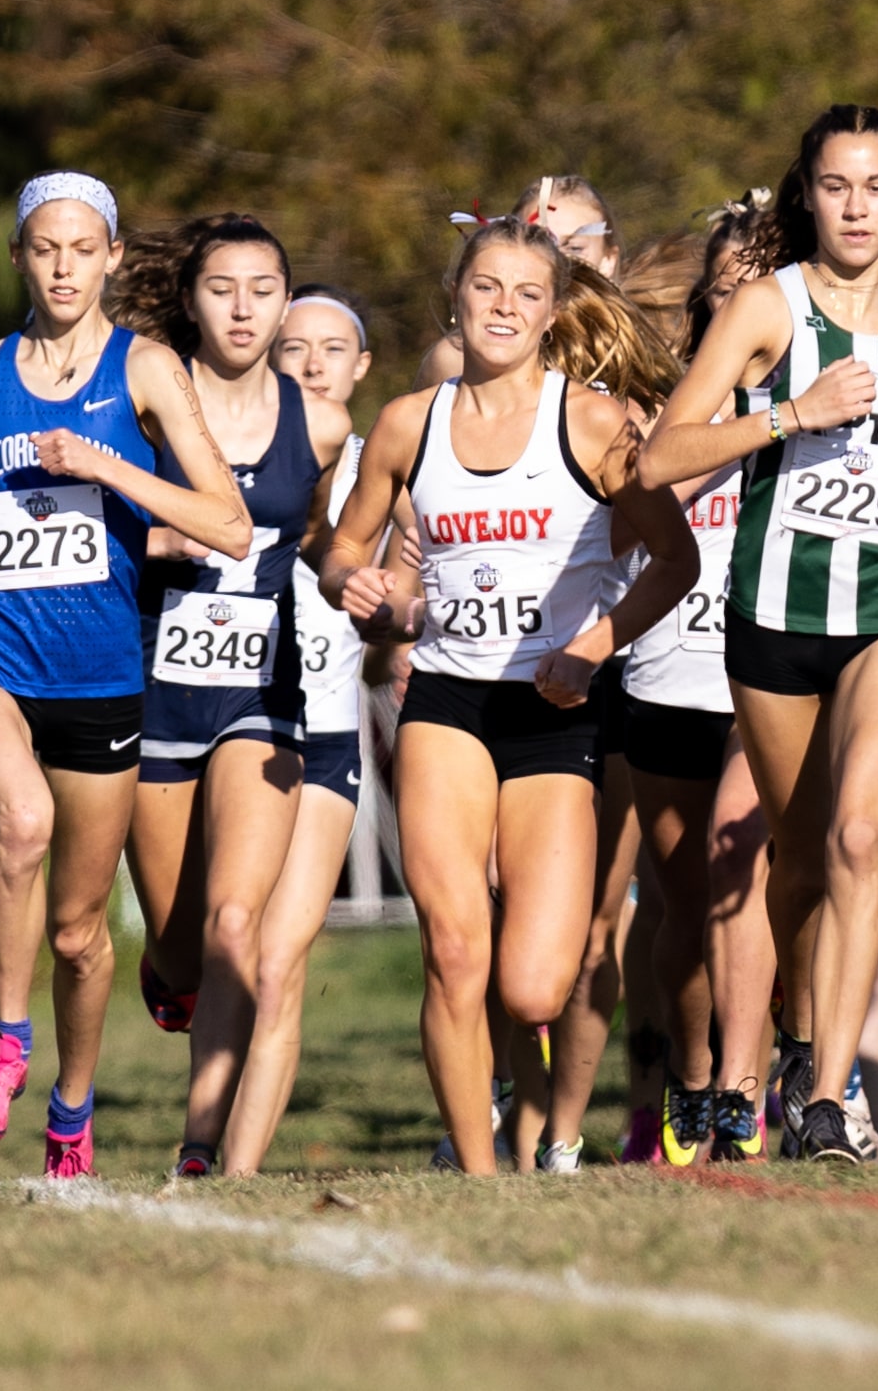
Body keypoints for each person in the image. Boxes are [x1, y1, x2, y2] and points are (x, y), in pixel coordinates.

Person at [640, 107, 878, 1162]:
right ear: (810, 196)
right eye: (836, 186)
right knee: (799, 865)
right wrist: (790, 416)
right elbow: (662, 460)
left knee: (860, 837)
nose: (856, 206)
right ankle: (803, 1043)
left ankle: (825, 1101)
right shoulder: (767, 308)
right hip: (773, 615)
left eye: (875, 186)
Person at [321, 216, 696, 1174]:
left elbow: (675, 562)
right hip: (448, 699)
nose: (504, 309)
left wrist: (592, 647)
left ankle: (527, 1098)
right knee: (454, 949)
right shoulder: (411, 423)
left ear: (553, 311)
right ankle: (478, 1170)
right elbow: (344, 550)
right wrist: (353, 586)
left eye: (527, 294)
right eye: (487, 288)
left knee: (532, 987)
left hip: (554, 709)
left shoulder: (597, 422)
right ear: (457, 294)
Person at [0, 173, 256, 1180]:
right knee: (19, 820)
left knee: (79, 932)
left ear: (111, 258)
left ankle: (72, 1108)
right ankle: (4, 1048)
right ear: (19, 258)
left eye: (82, 249)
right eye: (44, 248)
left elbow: (226, 522)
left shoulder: (145, 369)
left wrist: (109, 468)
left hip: (101, 673)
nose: (62, 267)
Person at [110, 215, 355, 1179]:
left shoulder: (321, 426)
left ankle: (201, 1148)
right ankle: (166, 978)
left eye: (264, 288)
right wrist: (155, 541)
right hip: (151, 696)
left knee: (237, 926)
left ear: (286, 300)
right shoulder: (142, 411)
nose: (245, 307)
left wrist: (352, 576)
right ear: (190, 300)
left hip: (264, 694)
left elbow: (329, 536)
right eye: (223, 288)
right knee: (179, 950)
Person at [566, 204, 776, 1168]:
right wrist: (684, 461)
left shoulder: (827, 413)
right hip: (667, 677)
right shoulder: (654, 420)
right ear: (702, 306)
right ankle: (692, 1078)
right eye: (729, 286)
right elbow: (616, 539)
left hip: (772, 679)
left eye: (764, 286)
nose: (748, 303)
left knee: (760, 892)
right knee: (685, 906)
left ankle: (755, 1090)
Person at [215, 283, 380, 1175]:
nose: (312, 363)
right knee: (220, 939)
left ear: (361, 366)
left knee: (279, 960)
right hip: (228, 728)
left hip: (322, 736)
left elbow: (409, 603)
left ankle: (228, 1172)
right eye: (293, 349)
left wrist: (396, 610)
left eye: (331, 349)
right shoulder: (225, 456)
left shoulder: (385, 461)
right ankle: (205, 1136)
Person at [417, 176, 623, 384]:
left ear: (608, 261)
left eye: (575, 248)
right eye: (539, 241)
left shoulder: (629, 352)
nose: (557, 260)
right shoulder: (457, 360)